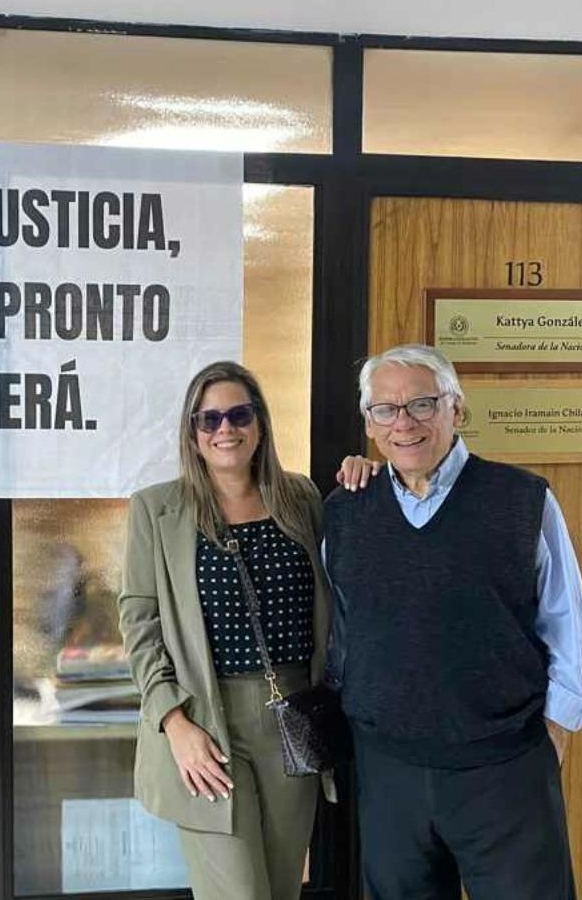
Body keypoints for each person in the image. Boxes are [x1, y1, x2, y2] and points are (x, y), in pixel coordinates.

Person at [324, 343, 582, 900]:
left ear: (457, 408)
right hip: (389, 773)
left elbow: (567, 623)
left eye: (423, 404)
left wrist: (551, 736)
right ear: (369, 422)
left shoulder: (522, 499)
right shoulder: (345, 509)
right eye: (385, 409)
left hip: (503, 769)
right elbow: (344, 629)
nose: (403, 423)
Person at [118, 360, 373, 900]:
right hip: (206, 721)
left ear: (259, 424)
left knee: (281, 887)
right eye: (208, 420)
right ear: (192, 433)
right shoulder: (158, 509)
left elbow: (354, 572)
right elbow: (140, 623)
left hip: (293, 716)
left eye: (238, 415)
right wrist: (174, 723)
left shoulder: (301, 499)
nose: (224, 429)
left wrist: (364, 475)